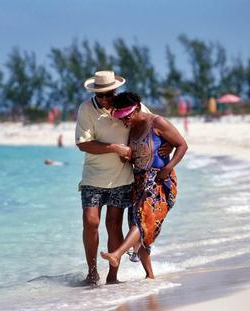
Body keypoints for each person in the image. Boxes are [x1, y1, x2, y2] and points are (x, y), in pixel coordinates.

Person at [75, 71, 171, 285]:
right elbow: (83, 144)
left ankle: (112, 276)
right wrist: (115, 148)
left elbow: (151, 122)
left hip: (122, 178)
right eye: (101, 95)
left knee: (113, 225)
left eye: (109, 93)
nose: (106, 99)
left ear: (115, 90)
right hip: (93, 176)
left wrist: (164, 144)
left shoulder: (127, 104)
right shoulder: (86, 109)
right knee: (90, 222)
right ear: (95, 94)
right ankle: (92, 272)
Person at [100, 91, 188, 279]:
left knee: (142, 218)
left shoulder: (158, 122)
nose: (125, 121)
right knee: (139, 225)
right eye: (121, 118)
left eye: (127, 116)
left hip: (160, 181)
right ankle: (150, 275)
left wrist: (169, 167)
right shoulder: (131, 128)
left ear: (138, 108)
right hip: (139, 181)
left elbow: (182, 145)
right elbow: (139, 155)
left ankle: (116, 254)